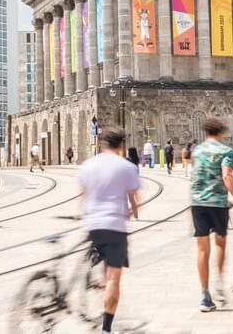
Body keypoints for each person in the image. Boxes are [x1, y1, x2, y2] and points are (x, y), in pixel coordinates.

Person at [78, 127, 140, 334]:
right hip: (115, 226)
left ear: (103, 143)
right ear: (121, 145)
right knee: (114, 277)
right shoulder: (126, 167)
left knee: (103, 270)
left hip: (93, 226)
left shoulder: (88, 165)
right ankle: (106, 328)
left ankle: (96, 286)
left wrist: (85, 219)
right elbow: (134, 199)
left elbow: (83, 197)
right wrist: (132, 211)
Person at [191, 117, 233, 312]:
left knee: (202, 250)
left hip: (197, 202)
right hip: (217, 203)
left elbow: (195, 174)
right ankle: (218, 280)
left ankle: (204, 294)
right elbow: (226, 176)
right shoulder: (226, 151)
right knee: (220, 243)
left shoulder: (197, 150)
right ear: (221, 132)